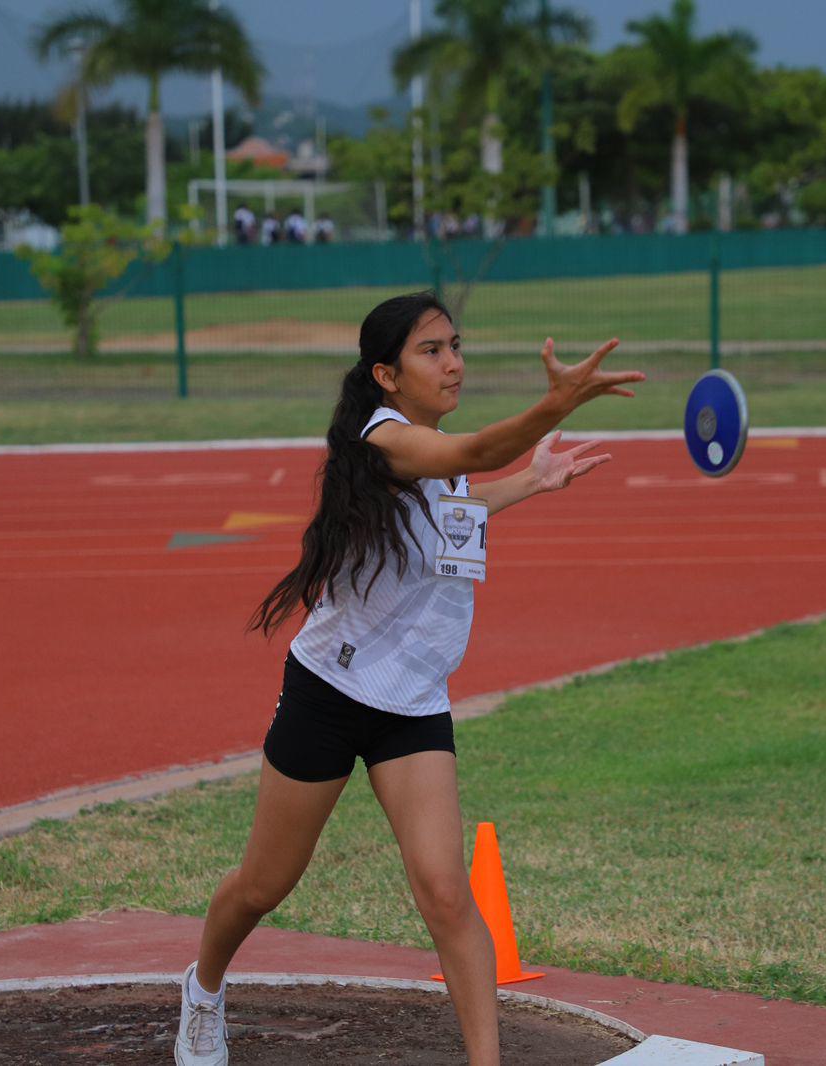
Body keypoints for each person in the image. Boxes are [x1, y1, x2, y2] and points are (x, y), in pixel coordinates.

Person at [173, 291, 644, 1065]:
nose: (454, 362)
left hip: (413, 701)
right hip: (329, 693)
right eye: (433, 351)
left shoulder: (429, 446)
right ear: (387, 374)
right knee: (263, 885)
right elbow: (464, 460)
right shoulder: (385, 439)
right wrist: (550, 406)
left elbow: (456, 500)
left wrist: (534, 480)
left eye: (456, 345)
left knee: (447, 893)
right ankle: (205, 987)